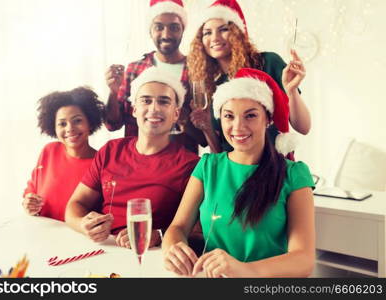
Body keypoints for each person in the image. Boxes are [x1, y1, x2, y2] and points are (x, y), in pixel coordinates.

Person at [162, 68, 315, 278]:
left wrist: (244, 270)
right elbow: (178, 227)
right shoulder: (208, 166)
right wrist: (173, 249)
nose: (238, 126)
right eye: (228, 116)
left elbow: (304, 260)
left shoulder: (294, 174)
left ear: (267, 119)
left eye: (250, 115)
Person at [65, 67, 199, 248]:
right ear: (135, 109)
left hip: (152, 255)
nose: (154, 108)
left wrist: (158, 235)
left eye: (163, 102)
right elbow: (75, 205)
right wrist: (83, 224)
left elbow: (200, 229)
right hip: (104, 249)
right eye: (146, 101)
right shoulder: (110, 151)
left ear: (176, 114)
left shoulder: (191, 165)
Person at [187, 0, 311, 155]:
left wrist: (291, 91)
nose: (215, 38)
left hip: (274, 166)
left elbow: (304, 127)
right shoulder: (212, 85)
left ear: (237, 33)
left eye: (223, 29)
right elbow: (219, 155)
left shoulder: (269, 63)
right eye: (207, 32)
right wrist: (207, 127)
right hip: (234, 173)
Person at [105, 0, 207, 154]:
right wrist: (113, 92)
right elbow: (113, 124)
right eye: (159, 27)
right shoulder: (134, 69)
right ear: (150, 31)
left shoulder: (197, 71)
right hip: (138, 159)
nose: (166, 35)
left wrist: (186, 120)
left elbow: (204, 137)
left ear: (182, 30)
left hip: (182, 162)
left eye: (174, 27)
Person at [23, 87, 105, 221]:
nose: (70, 128)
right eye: (62, 123)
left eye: (77, 121)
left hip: (81, 238)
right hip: (44, 233)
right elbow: (31, 190)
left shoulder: (101, 163)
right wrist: (28, 203)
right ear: (54, 128)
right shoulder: (49, 151)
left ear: (89, 122)